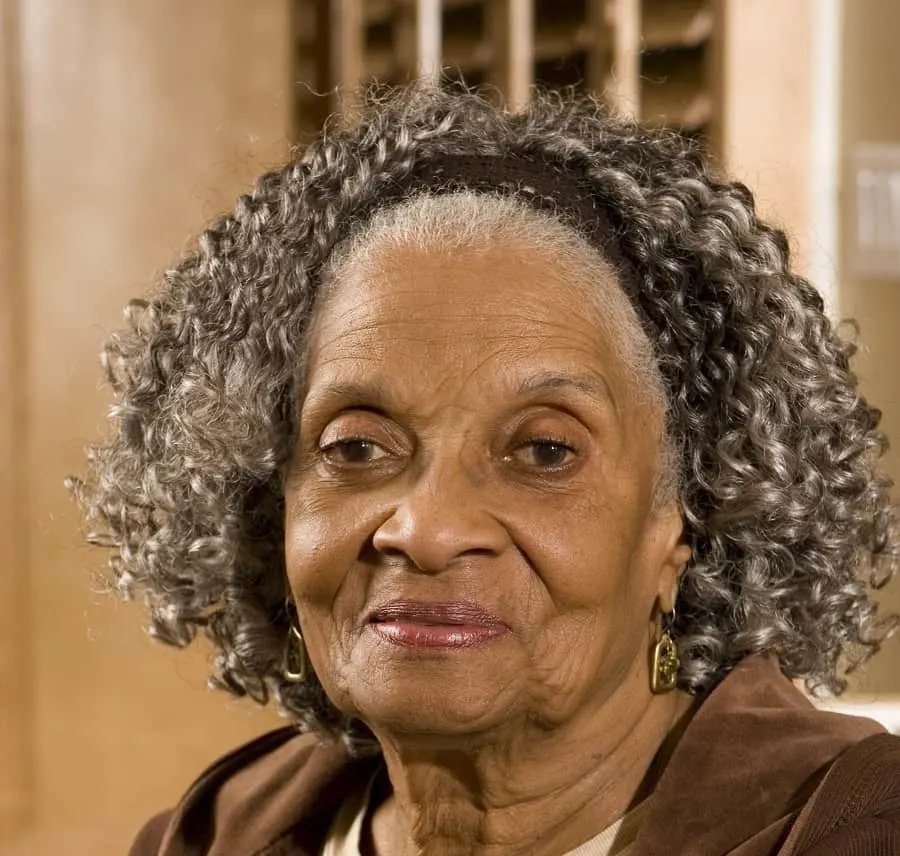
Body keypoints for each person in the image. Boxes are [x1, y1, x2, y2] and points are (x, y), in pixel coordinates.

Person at [69, 85, 900, 856]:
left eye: (544, 452)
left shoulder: (856, 830)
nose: (426, 531)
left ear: (680, 524)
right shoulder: (208, 836)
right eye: (356, 447)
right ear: (271, 507)